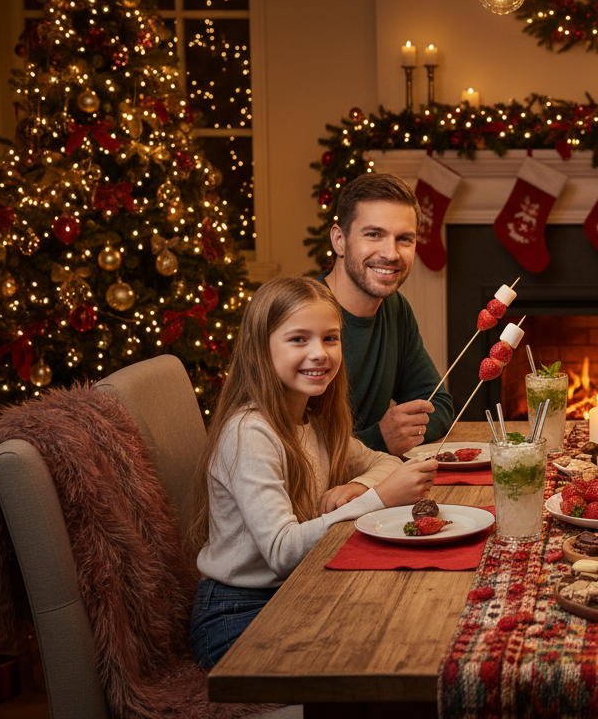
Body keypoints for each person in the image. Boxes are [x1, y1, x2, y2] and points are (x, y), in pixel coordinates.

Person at [187, 276, 438, 669]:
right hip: (237, 615)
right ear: (261, 349)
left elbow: (384, 462)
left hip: (298, 589)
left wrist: (358, 485)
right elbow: (283, 552)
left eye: (330, 338)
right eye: (298, 339)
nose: (319, 353)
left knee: (407, 622)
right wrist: (379, 498)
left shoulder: (313, 420)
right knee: (373, 656)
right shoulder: (249, 433)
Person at [320, 172, 455, 455]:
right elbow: (293, 451)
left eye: (404, 239)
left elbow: (439, 404)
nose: (391, 254)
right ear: (339, 240)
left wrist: (399, 433)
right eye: (374, 234)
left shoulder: (395, 309)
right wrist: (380, 439)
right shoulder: (299, 314)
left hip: (370, 480)